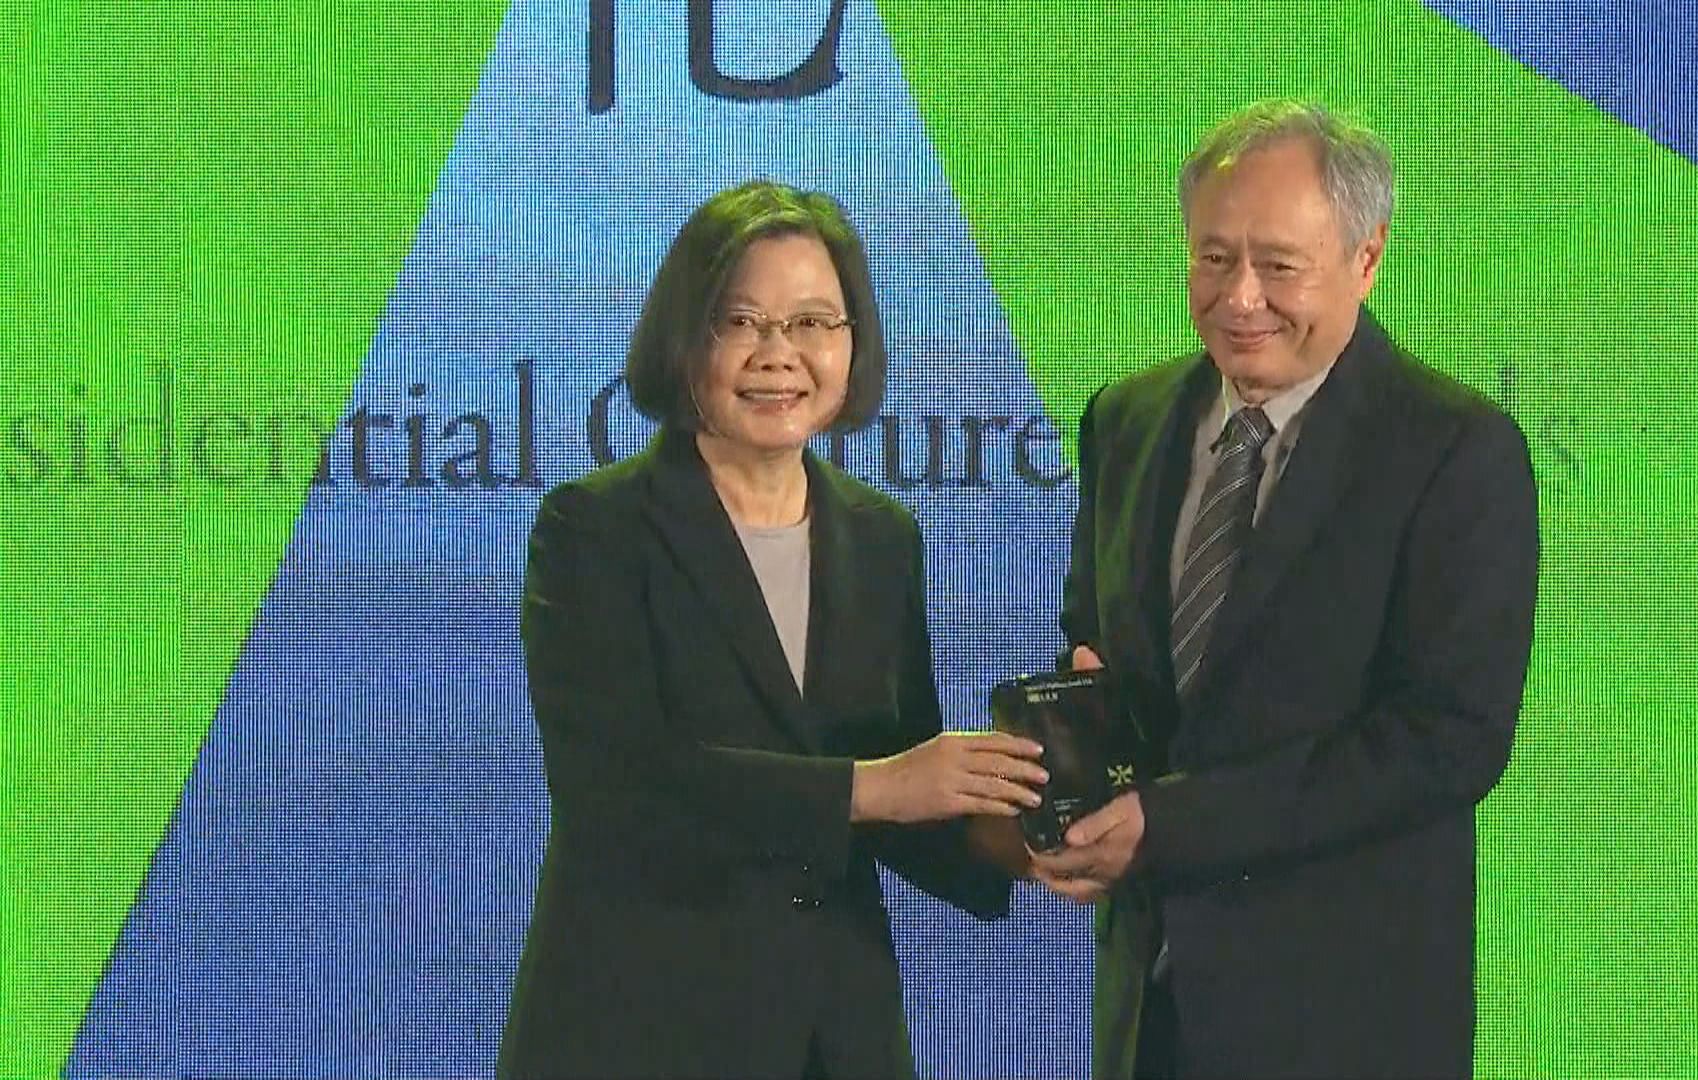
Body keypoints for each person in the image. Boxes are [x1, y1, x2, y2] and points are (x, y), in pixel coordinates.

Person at [1030, 100, 1540, 1078]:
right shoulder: (1127, 420)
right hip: (1150, 1015)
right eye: (1213, 258)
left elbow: (1447, 740)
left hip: (1343, 1023)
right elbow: (1093, 639)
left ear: (1367, 257)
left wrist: (1170, 825)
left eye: (1278, 265)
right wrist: (1077, 754)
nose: (1240, 297)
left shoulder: (1453, 451)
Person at [497, 179, 1049, 1079]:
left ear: (853, 343)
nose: (777, 354)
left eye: (812, 323)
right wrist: (875, 787)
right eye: (741, 321)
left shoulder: (880, 537)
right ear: (685, 338)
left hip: (835, 1037)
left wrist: (1022, 835)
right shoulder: (595, 530)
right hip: (642, 1031)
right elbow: (617, 787)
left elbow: (896, 795)